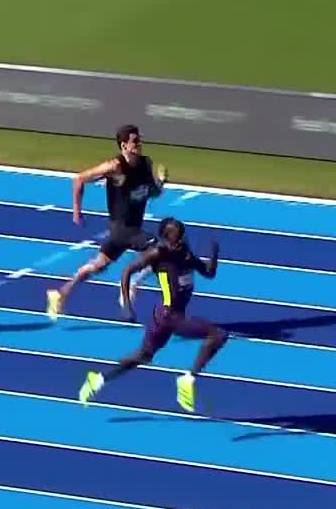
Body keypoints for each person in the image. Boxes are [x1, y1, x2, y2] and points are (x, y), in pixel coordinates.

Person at [78, 217, 227, 413]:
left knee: (143, 356)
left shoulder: (185, 253)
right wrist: (127, 304)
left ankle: (98, 379)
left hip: (164, 316)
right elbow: (127, 271)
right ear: (166, 239)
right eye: (178, 237)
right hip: (170, 316)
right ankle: (187, 379)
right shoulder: (157, 254)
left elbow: (208, 273)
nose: (182, 240)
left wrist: (214, 255)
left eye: (183, 236)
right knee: (218, 335)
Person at [47, 124, 167, 320]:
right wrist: (77, 212)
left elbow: (152, 192)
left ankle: (60, 294)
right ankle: (130, 286)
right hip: (122, 228)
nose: (138, 144)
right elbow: (78, 179)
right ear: (123, 145)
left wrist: (161, 182)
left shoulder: (146, 164)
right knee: (160, 250)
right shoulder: (115, 166)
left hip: (131, 229)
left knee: (98, 265)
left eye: (139, 140)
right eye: (134, 141)